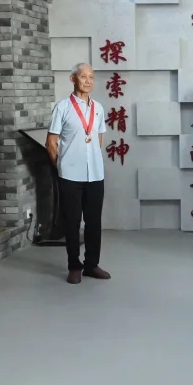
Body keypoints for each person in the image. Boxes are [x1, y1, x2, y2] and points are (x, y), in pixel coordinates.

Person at [47, 63, 111, 285]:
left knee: (94, 222)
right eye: (83, 76)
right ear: (73, 79)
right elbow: (51, 142)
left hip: (95, 175)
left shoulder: (98, 108)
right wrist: (62, 166)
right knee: (72, 222)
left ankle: (91, 265)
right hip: (70, 176)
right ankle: (74, 266)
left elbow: (98, 138)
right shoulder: (62, 107)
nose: (88, 81)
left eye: (91, 77)